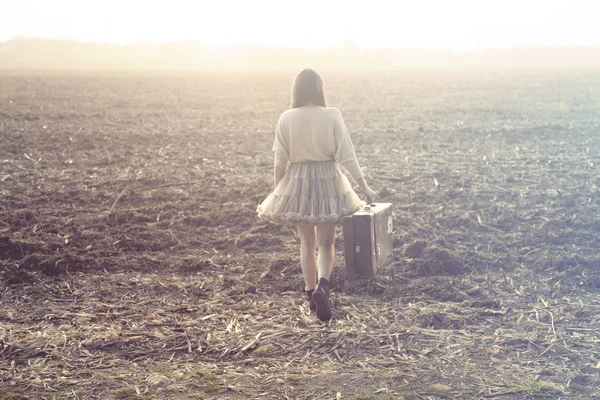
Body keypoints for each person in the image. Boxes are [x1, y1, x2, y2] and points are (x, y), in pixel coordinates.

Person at [257, 68, 376, 322]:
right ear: (319, 89)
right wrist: (363, 186)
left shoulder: (286, 118)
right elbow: (347, 155)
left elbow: (280, 161)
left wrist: (281, 194)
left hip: (297, 182)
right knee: (327, 243)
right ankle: (324, 286)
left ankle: (310, 294)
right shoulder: (332, 115)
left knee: (307, 244)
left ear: (297, 91)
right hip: (328, 180)